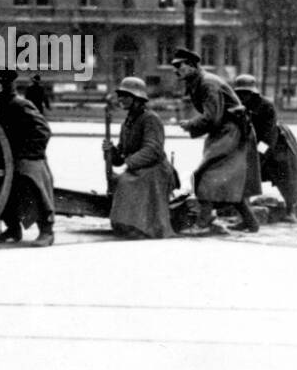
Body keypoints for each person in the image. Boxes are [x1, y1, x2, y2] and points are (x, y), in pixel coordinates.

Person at [171, 49, 259, 235]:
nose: (176, 70)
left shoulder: (208, 83)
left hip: (231, 131)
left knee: (207, 174)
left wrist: (191, 124)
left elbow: (212, 117)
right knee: (228, 178)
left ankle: (204, 223)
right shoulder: (198, 82)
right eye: (174, 66)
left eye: (179, 65)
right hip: (227, 131)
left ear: (192, 65)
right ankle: (251, 223)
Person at [102, 76, 175, 239]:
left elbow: (153, 149)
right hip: (139, 167)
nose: (121, 99)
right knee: (123, 180)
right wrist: (111, 151)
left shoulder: (151, 119)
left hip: (155, 169)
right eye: (120, 95)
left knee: (126, 182)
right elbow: (120, 154)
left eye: (125, 96)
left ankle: (138, 226)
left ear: (137, 99)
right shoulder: (128, 122)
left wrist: (129, 162)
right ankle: (124, 223)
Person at [0, 69, 55, 246]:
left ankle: (47, 231)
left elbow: (43, 130)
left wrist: (28, 154)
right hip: (11, 158)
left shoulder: (20, 104)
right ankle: (13, 228)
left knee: (32, 182)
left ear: (5, 86)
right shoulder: (2, 106)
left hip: (30, 157)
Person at [233, 74, 297, 218]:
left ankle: (290, 209)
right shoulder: (236, 106)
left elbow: (269, 136)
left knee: (284, 172)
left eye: (246, 93)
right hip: (251, 143)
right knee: (241, 172)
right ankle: (244, 209)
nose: (243, 97)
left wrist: (259, 154)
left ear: (253, 93)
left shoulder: (266, 106)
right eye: (239, 93)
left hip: (275, 144)